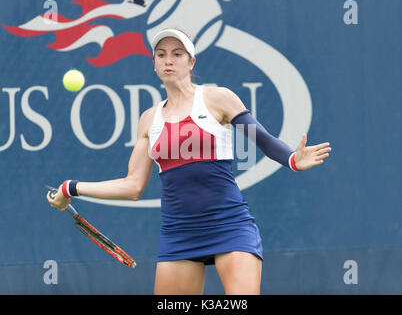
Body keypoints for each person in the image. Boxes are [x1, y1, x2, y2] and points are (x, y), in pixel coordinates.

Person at [47, 28, 331, 295]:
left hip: (230, 225)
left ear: (191, 62)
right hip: (179, 234)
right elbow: (133, 186)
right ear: (154, 64)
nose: (168, 60)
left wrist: (293, 159)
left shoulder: (218, 98)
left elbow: (266, 142)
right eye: (161, 54)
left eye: (177, 54)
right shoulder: (149, 119)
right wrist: (70, 187)